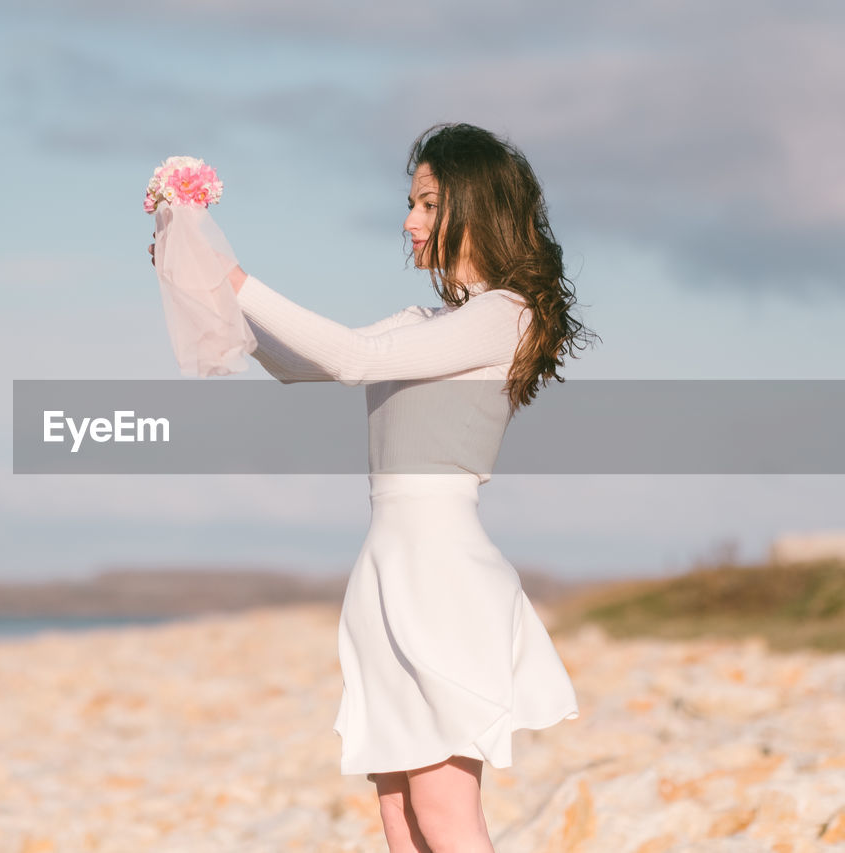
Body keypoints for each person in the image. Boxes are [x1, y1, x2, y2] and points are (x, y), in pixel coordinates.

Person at [148, 122, 598, 852]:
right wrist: (200, 277)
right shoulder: (428, 323)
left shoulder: (502, 315)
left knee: (445, 812)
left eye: (426, 203)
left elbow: (355, 357)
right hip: (389, 568)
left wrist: (231, 278)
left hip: (443, 573)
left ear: (474, 208)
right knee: (400, 818)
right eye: (412, 203)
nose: (409, 220)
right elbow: (304, 365)